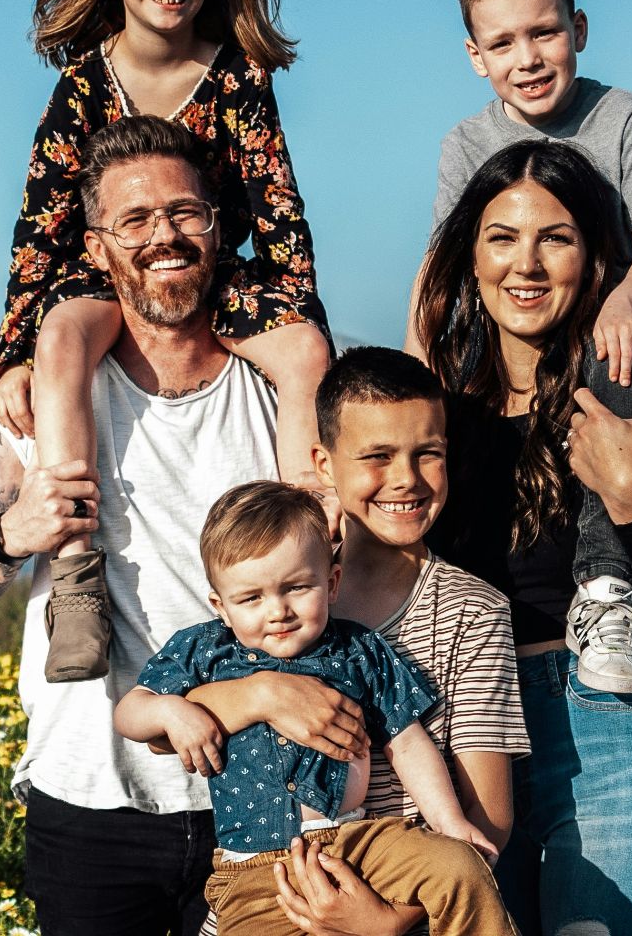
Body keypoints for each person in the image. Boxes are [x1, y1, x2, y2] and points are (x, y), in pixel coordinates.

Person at [0, 115, 293, 936]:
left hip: (261, 795)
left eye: (187, 213)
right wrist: (13, 532)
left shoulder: (278, 397)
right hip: (89, 797)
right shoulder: (34, 409)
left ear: (218, 227)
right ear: (96, 247)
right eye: (135, 219)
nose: (166, 235)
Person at [0, 0, 332, 686]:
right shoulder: (80, 84)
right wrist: (11, 353)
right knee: (64, 333)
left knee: (306, 353)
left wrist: (299, 319)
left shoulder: (240, 76)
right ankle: (77, 578)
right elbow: (39, 226)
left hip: (219, 273)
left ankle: (317, 548)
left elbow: (278, 208)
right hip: (105, 275)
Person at [405, 139, 632, 936]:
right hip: (465, 744)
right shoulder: (431, 416)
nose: (525, 265)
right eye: (502, 237)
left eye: (555, 237)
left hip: (621, 735)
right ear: (471, 254)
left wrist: (630, 496)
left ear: (595, 258)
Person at [166, 347, 531, 936]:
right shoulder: (272, 592)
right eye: (377, 456)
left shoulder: (474, 612)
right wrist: (262, 695)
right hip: (268, 893)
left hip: (398, 903)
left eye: (428, 455)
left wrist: (381, 924)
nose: (405, 479)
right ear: (324, 465)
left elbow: (489, 819)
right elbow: (169, 733)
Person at [407, 0, 632, 696]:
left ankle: (604, 593)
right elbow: (440, 268)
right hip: (500, 346)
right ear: (475, 55)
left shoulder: (623, 115)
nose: (526, 57)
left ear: (579, 29)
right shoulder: (467, 143)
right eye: (502, 42)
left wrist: (627, 298)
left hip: (601, 338)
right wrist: (413, 373)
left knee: (624, 355)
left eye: (544, 33)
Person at [116, 480, 510, 936]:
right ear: (220, 607)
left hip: (359, 842)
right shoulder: (203, 651)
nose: (277, 610)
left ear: (332, 581)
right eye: (251, 598)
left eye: (297, 587)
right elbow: (130, 712)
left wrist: (449, 822)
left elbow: (406, 741)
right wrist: (169, 711)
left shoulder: (359, 650)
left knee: (459, 867)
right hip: (255, 871)